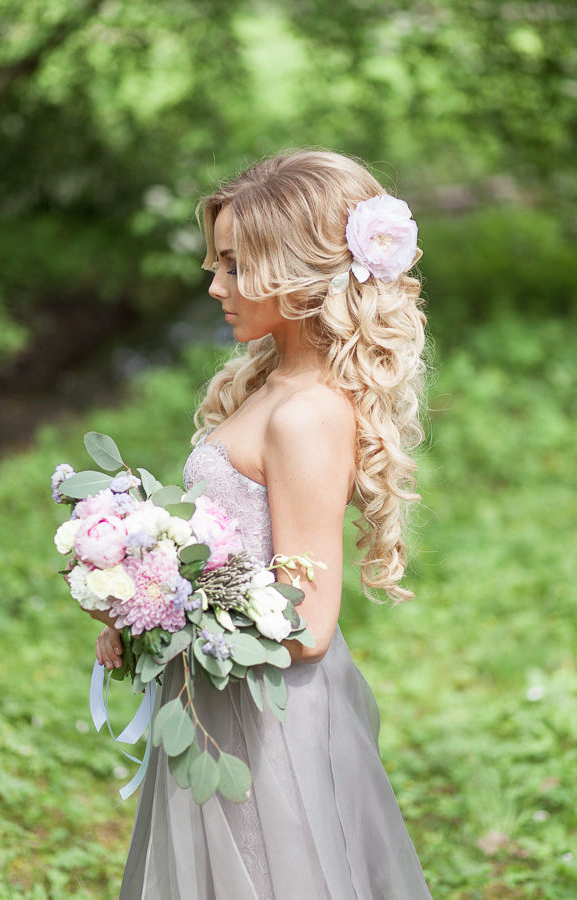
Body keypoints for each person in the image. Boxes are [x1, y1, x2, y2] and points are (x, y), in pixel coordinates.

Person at [94, 149, 432, 899]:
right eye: (217, 263)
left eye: (237, 267)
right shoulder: (274, 380)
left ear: (304, 273)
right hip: (222, 691)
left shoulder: (309, 413)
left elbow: (308, 623)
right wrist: (142, 597)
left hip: (269, 721)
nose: (215, 286)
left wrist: (170, 603)